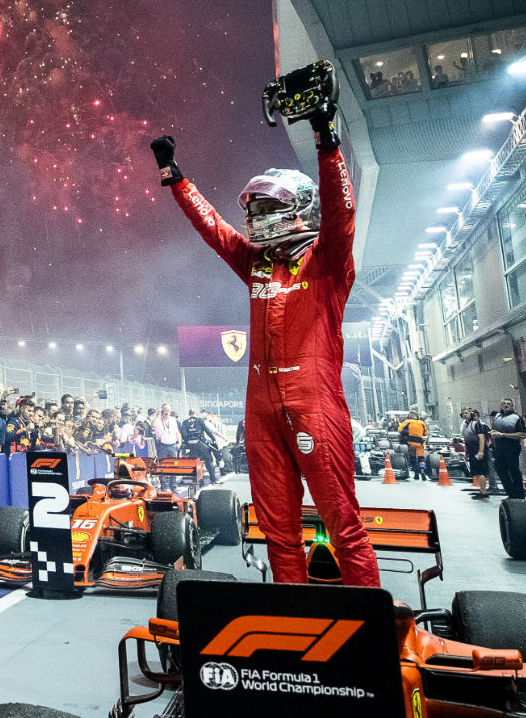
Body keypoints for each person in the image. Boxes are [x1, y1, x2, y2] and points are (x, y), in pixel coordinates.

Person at [150, 90, 380, 587]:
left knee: (344, 526)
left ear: (297, 208)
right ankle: (294, 620)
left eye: (264, 204)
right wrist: (176, 178)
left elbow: (341, 212)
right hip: (258, 411)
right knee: (277, 531)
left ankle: (370, 627)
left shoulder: (328, 260)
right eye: (252, 206)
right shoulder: (256, 262)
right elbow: (213, 229)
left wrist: (326, 138)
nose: (253, 215)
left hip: (315, 404)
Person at [489, 398, 526, 499]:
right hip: (499, 449)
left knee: (513, 470)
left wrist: (503, 435)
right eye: (504, 403)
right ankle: (511, 493)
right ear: (501, 405)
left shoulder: (516, 418)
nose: (506, 405)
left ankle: (519, 495)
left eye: (508, 404)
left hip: (512, 448)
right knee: (500, 470)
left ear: (512, 406)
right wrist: (493, 433)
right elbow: (494, 430)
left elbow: (522, 434)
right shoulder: (497, 416)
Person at [461, 408, 491, 500]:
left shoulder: (476, 424)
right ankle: (481, 491)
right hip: (471, 451)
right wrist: (466, 453)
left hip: (478, 450)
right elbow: (466, 440)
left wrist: (481, 451)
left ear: (471, 414)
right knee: (476, 472)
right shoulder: (465, 426)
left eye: (467, 413)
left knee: (481, 472)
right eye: (463, 413)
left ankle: (484, 493)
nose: (465, 415)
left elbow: (481, 438)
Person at [397, 411, 429, 481]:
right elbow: (426, 433)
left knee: (412, 458)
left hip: (411, 443)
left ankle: (416, 473)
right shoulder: (422, 422)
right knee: (421, 457)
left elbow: (400, 430)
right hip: (420, 443)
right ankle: (422, 469)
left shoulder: (407, 422)